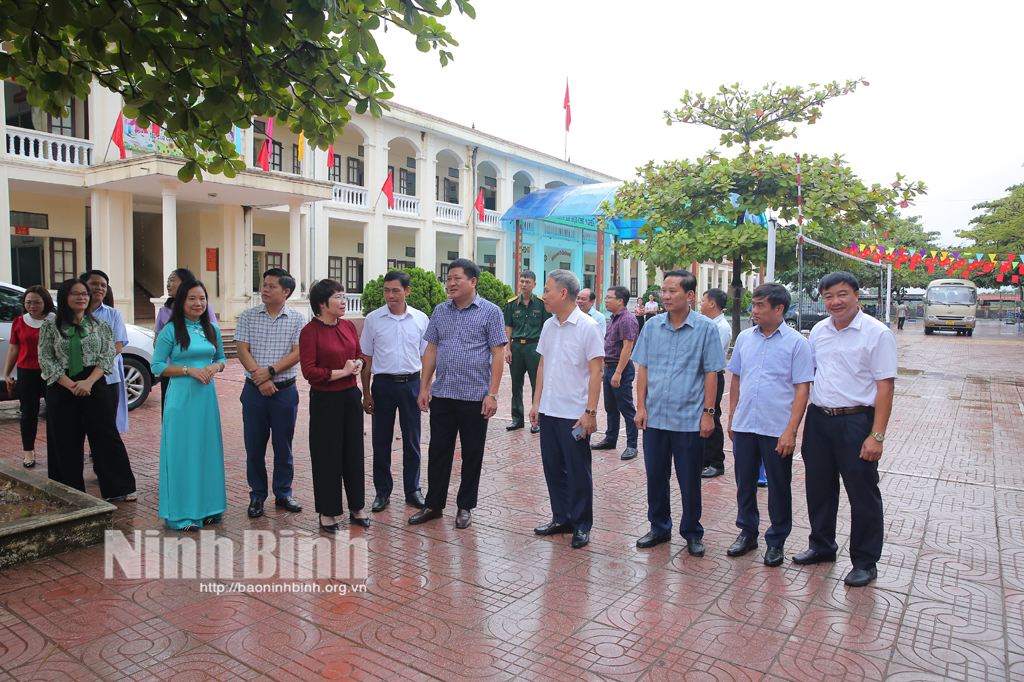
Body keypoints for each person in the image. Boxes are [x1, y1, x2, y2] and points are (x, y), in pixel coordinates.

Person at [794, 271, 897, 588]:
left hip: (857, 421)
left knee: (862, 492)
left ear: (856, 295)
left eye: (842, 294)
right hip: (820, 419)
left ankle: (865, 561)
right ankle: (822, 546)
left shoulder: (876, 334)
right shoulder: (819, 331)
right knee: (819, 487)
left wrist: (876, 435)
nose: (835, 302)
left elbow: (885, 387)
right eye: (828, 296)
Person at [632, 270, 726, 554]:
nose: (667, 296)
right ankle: (659, 527)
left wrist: (708, 413)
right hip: (656, 417)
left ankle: (692, 532)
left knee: (689, 479)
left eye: (673, 291)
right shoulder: (651, 326)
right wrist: (640, 406)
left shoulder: (706, 329)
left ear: (690, 295)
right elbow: (643, 368)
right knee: (656, 476)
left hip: (689, 419)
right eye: (664, 290)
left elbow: (712, 373)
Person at [410, 258, 507, 529]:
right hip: (443, 395)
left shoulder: (491, 312)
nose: (450, 283)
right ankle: (434, 504)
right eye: (448, 278)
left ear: (473, 282)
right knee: (438, 451)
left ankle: (465, 506)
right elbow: (431, 349)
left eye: (456, 278)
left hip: (476, 397)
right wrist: (424, 386)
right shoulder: (440, 311)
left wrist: (493, 394)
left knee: (472, 453)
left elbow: (498, 353)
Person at [726, 283, 814, 566]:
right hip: (745, 425)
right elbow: (737, 378)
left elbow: (802, 388)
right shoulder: (744, 339)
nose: (754, 310)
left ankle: (776, 540)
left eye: (760, 305)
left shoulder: (797, 343)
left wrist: (791, 431)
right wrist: (732, 417)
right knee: (744, 484)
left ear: (779, 309)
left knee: (778, 486)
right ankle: (747, 532)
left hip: (776, 428)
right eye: (753, 304)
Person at [38, 279, 137, 500]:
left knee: (105, 436)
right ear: (64, 297)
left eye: (84, 294)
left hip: (94, 383)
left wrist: (88, 382)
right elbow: (46, 360)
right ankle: (68, 490)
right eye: (75, 293)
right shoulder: (50, 327)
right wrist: (70, 385)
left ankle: (118, 489)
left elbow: (107, 356)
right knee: (64, 439)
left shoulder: (101, 327)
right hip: (62, 386)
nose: (82, 297)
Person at [529, 270, 604, 549]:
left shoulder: (588, 327)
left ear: (562, 293)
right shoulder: (549, 326)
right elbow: (542, 365)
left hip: (575, 414)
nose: (543, 295)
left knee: (578, 470)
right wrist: (537, 403)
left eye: (547, 290)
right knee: (553, 468)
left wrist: (591, 413)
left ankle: (582, 524)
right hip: (549, 411)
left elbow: (596, 372)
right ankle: (562, 518)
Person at [151, 280, 227, 530]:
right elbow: (157, 366)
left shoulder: (212, 329)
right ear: (181, 302)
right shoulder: (171, 330)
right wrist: (188, 370)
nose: (199, 303)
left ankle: (208, 509)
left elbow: (221, 359)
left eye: (202, 298)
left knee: (206, 450)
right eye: (192, 299)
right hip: (181, 399)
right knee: (182, 453)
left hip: (206, 398)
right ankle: (182, 514)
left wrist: (213, 368)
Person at [234, 268, 306, 519]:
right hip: (254, 391)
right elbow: (242, 350)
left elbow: (298, 353)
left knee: (282, 446)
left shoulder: (297, 319)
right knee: (254, 446)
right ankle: (257, 495)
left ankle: (283, 493)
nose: (265, 289)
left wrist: (270, 372)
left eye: (271, 286)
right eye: (264, 285)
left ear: (286, 291)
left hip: (284, 392)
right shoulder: (249, 316)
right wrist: (259, 376)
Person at [300, 279, 369, 532]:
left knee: (354, 453)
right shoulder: (310, 331)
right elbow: (309, 371)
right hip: (325, 401)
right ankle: (327, 512)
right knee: (327, 456)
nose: (343, 301)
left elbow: (359, 354)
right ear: (321, 303)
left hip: (350, 397)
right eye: (338, 297)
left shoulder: (349, 325)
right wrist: (342, 371)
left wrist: (358, 364)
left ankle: (357, 507)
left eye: (343, 296)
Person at [360, 270, 429, 513]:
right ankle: (382, 492)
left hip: (412, 384)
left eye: (396, 290)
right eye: (387, 290)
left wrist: (425, 389)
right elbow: (366, 357)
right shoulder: (373, 319)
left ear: (407, 291)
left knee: (412, 440)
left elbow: (426, 357)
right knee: (381, 440)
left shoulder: (420, 319)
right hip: (383, 386)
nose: (390, 295)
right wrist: (366, 393)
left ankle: (413, 490)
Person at [4, 286, 55, 468]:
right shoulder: (19, 321)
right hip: (27, 372)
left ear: (45, 302)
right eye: (29, 302)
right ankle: (28, 452)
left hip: (52, 373)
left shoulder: (55, 321)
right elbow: (14, 348)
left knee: (54, 413)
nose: (32, 305)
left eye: (37, 302)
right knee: (28, 414)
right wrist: (7, 373)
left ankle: (56, 451)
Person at [155, 268, 219, 414]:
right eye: (167, 281)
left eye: (172, 280)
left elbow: (215, 345)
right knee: (174, 415)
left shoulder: (205, 310)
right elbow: (157, 345)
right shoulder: (165, 312)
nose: (168, 284)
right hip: (173, 373)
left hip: (203, 377)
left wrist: (214, 366)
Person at [591, 286, 640, 460]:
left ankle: (632, 445)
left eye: (609, 298)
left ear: (620, 300)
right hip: (610, 367)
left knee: (626, 407)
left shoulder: (627, 319)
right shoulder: (613, 319)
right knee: (611, 407)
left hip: (620, 369)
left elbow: (627, 348)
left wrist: (618, 373)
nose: (605, 301)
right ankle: (611, 438)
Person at [81, 270, 129, 434]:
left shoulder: (113, 315)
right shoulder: (74, 314)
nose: (99, 288)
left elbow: (117, 348)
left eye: (103, 285)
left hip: (108, 377)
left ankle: (99, 456)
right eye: (94, 283)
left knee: (106, 424)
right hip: (79, 378)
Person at [503, 271, 549, 434]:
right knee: (516, 385)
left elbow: (547, 327)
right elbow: (508, 326)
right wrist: (508, 349)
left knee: (538, 384)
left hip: (534, 348)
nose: (524, 284)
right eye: (522, 281)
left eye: (528, 282)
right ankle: (517, 419)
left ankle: (537, 420)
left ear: (534, 285)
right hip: (516, 347)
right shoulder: (512, 304)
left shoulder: (541, 304)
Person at [699, 288, 732, 478]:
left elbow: (711, 358)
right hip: (703, 377)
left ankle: (717, 462)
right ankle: (704, 458)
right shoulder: (709, 324)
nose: (700, 305)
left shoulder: (721, 328)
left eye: (703, 301)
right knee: (701, 416)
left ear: (712, 304)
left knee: (712, 415)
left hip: (713, 376)